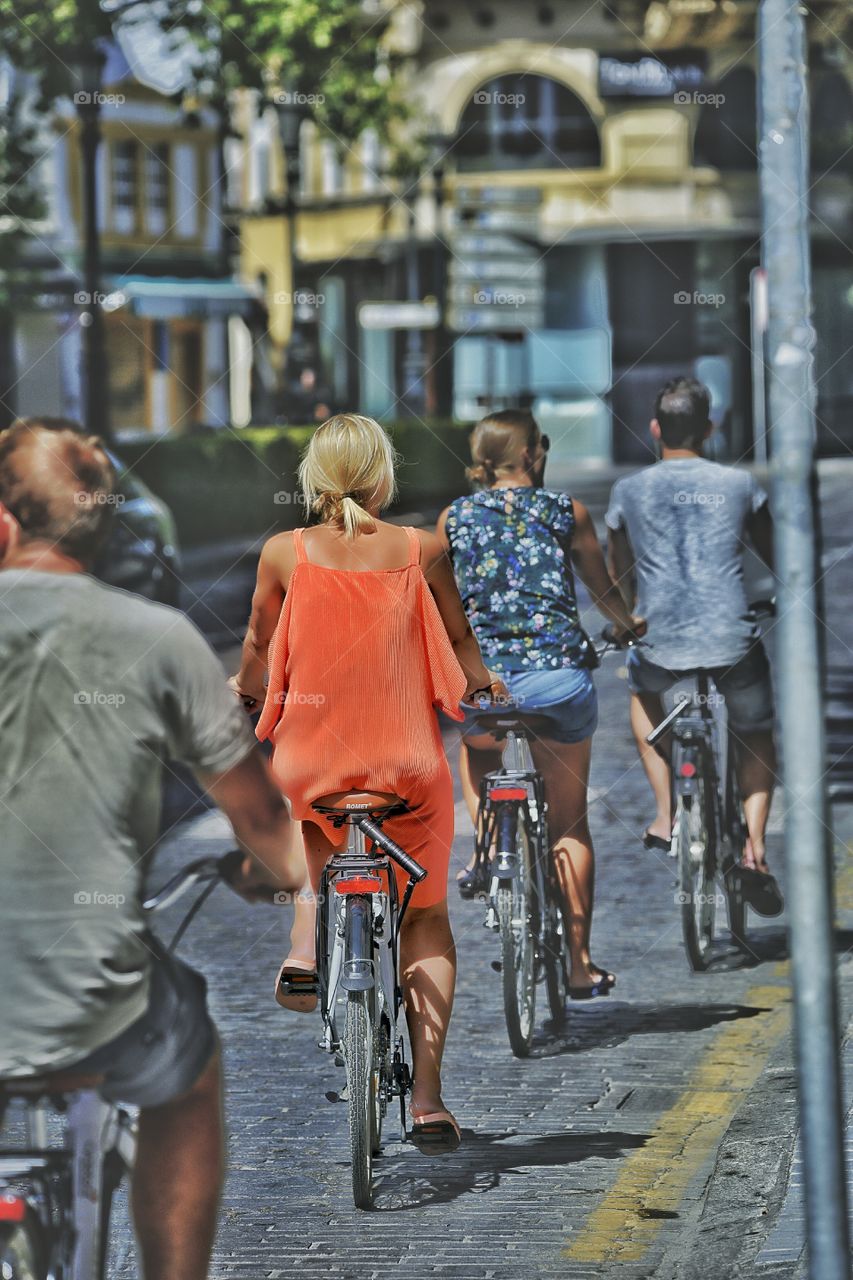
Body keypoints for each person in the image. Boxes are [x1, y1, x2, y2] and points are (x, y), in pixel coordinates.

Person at [0, 419, 305, 1280]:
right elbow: (264, 822)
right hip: (87, 1004)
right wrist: (276, 879)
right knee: (191, 1068)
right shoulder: (158, 637)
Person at [233, 413, 503, 1153]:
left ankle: (305, 943)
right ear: (383, 475)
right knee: (423, 921)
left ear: (312, 481)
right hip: (406, 768)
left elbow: (259, 644)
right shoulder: (422, 549)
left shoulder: (283, 553)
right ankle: (426, 1099)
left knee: (303, 807)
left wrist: (248, 690)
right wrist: (482, 685)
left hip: (313, 764)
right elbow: (456, 638)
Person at [438, 409, 643, 999]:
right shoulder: (564, 511)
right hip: (556, 681)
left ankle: (487, 847)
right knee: (570, 820)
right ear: (530, 455)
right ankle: (578, 965)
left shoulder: (454, 518)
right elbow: (601, 589)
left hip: (481, 683)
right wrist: (626, 625)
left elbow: (442, 601)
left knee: (478, 750)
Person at [605, 376, 782, 913]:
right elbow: (772, 555)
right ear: (711, 428)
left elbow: (617, 568)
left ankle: (666, 813)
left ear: (656, 428)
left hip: (659, 641)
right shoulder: (740, 484)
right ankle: (753, 849)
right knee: (753, 730)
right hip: (732, 637)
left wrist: (630, 613)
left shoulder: (629, 491)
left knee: (642, 696)